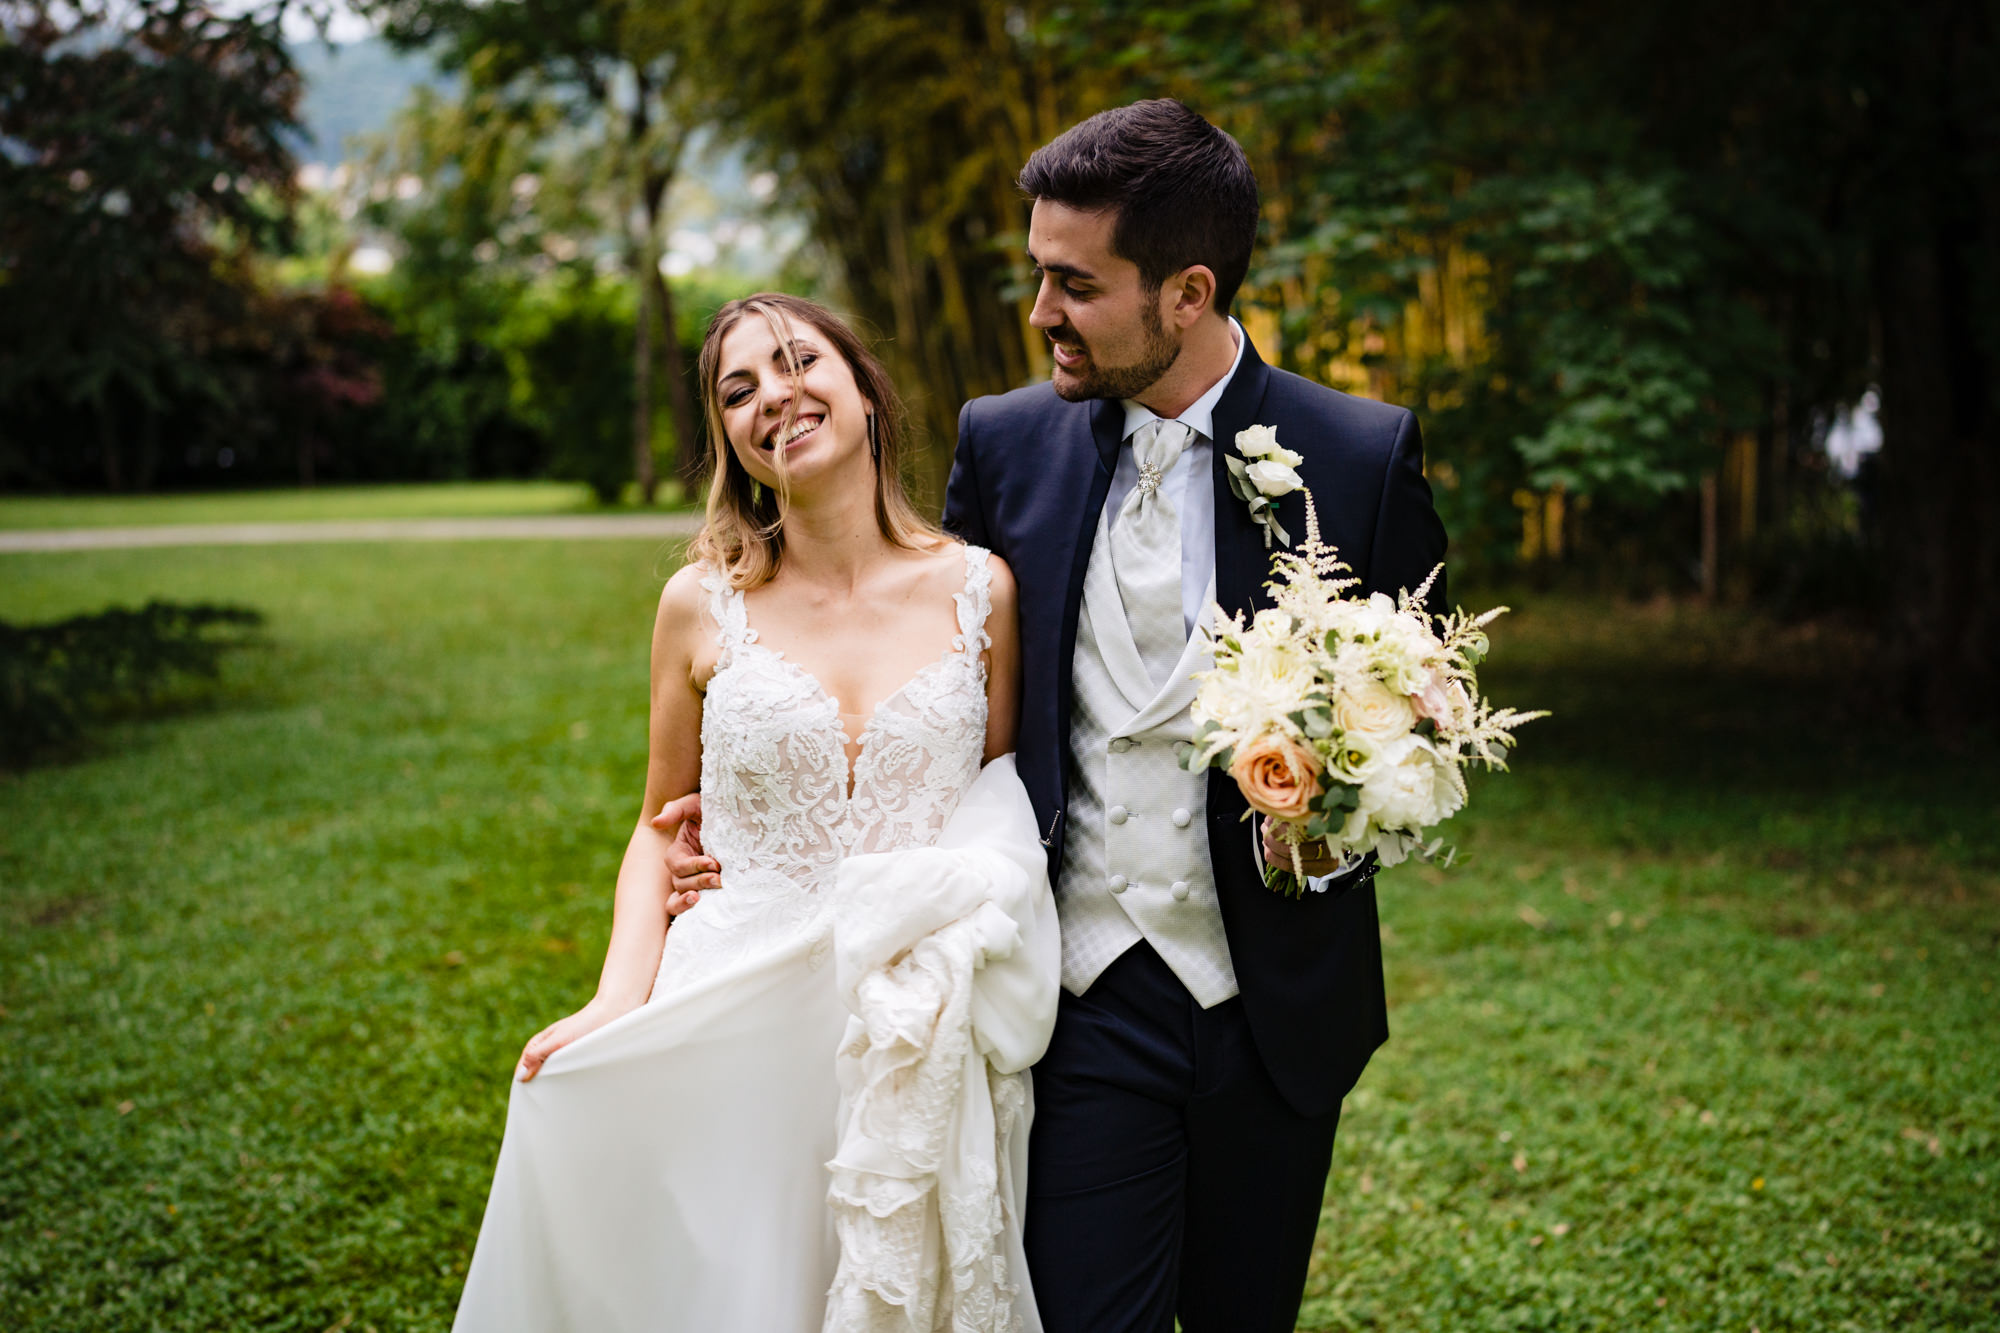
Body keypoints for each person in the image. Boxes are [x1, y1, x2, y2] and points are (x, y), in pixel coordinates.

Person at [672, 100, 1448, 1330]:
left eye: (1073, 284)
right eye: (1039, 273)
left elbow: (1420, 706)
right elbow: (936, 676)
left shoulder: (1357, 455)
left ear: (1185, 293)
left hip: (1277, 1012)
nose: (1039, 311)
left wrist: (1353, 782)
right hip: (1074, 1000)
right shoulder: (1005, 440)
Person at [453, 293, 1055, 1332]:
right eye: (739, 390)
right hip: (732, 997)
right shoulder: (700, 602)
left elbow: (995, 820)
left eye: (796, 361)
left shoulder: (980, 592)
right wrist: (612, 999)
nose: (775, 395)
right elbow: (657, 826)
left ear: (863, 387)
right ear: (728, 438)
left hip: (909, 1027)